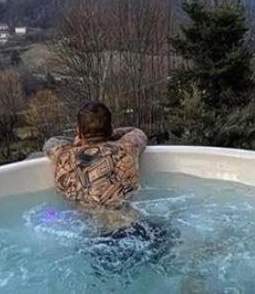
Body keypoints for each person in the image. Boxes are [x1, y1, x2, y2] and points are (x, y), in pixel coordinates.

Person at [43, 102, 177, 278]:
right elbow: (138, 132)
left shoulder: (63, 155)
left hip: (98, 242)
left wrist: (78, 141)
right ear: (111, 128)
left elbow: (50, 142)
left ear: (79, 132)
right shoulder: (127, 148)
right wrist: (113, 135)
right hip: (140, 231)